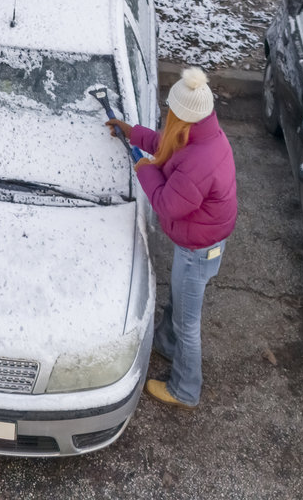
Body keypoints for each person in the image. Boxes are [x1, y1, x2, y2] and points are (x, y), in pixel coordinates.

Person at [106, 66, 238, 409]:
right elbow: (167, 143)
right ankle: (166, 343)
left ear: (182, 116)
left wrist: (143, 169)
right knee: (178, 301)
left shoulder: (200, 161)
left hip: (199, 250)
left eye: (171, 113)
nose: (168, 118)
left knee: (188, 322)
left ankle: (185, 389)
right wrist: (132, 133)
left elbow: (167, 204)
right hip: (201, 241)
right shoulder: (201, 134)